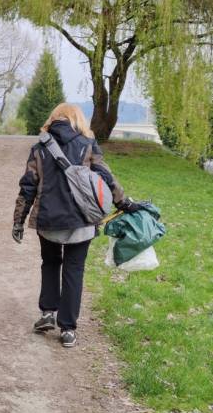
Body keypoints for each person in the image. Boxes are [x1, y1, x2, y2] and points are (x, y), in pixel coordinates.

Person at [11, 103, 139, 348]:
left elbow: (28, 186)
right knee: (74, 270)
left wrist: (18, 220)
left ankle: (48, 312)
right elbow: (106, 177)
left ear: (53, 119)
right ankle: (68, 328)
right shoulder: (88, 145)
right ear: (77, 120)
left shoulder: (40, 148)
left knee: (50, 263)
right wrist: (124, 202)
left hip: (48, 220)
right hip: (81, 220)